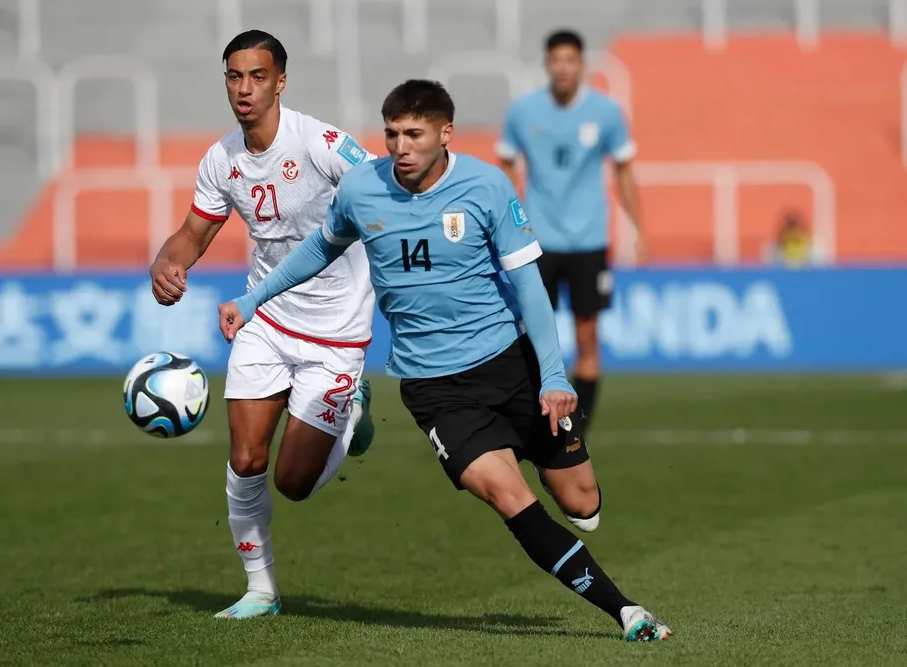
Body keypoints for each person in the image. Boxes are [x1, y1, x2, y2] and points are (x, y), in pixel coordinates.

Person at [218, 79, 672, 641]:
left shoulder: (485, 186)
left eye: (413, 133)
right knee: (509, 497)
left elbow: (530, 289)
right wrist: (252, 299)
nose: (400, 146)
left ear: (444, 133)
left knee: (584, 503)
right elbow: (318, 248)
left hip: (511, 366)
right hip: (436, 389)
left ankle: (561, 477)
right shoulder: (363, 189)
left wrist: (553, 377)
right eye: (391, 134)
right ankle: (625, 611)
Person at [148, 29, 377, 620]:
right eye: (233, 76)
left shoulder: (323, 143)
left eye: (256, 76)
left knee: (292, 482)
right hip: (264, 318)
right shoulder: (221, 159)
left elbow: (385, 195)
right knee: (246, 459)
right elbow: (194, 233)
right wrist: (167, 262)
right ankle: (261, 590)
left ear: (280, 81)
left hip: (336, 330)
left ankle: (351, 412)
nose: (244, 88)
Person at [497, 29, 645, 435]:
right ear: (548, 64)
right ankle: (531, 415)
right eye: (556, 59)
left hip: (588, 241)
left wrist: (639, 228)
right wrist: (509, 221)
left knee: (587, 336)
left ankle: (577, 429)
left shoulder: (606, 112)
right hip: (536, 242)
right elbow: (505, 167)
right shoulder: (523, 112)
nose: (563, 67)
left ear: (581, 64)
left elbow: (624, 170)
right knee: (528, 331)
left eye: (570, 59)